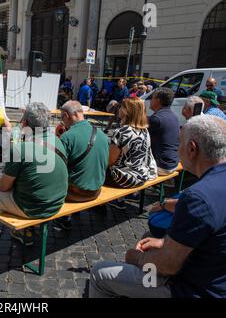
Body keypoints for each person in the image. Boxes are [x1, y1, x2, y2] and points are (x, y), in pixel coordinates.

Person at [90, 115, 226, 298]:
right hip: (214, 275)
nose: (176, 149)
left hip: (189, 289)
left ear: (192, 149)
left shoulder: (197, 197)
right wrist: (164, 242)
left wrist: (137, 258)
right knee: (150, 237)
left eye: (179, 143)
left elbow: (167, 265)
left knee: (100, 273)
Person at [0, 103, 68, 264]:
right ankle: (24, 233)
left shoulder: (20, 148)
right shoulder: (58, 140)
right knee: (29, 184)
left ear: (25, 124)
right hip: (57, 202)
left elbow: (4, 187)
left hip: (34, 207)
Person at [55, 101, 109, 230]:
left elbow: (58, 169)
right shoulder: (102, 134)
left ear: (67, 115)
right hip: (96, 190)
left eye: (62, 117)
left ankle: (65, 218)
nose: (62, 121)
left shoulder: (67, 136)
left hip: (75, 193)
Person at [106, 97, 158, 209]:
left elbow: (110, 161)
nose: (119, 109)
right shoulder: (145, 130)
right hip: (142, 176)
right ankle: (122, 200)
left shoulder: (121, 132)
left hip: (124, 179)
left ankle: (99, 204)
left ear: (126, 111)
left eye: (121, 107)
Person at [148, 88, 180, 175]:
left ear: (158, 101)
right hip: (173, 162)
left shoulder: (156, 119)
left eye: (152, 98)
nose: (150, 100)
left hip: (161, 165)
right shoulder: (174, 116)